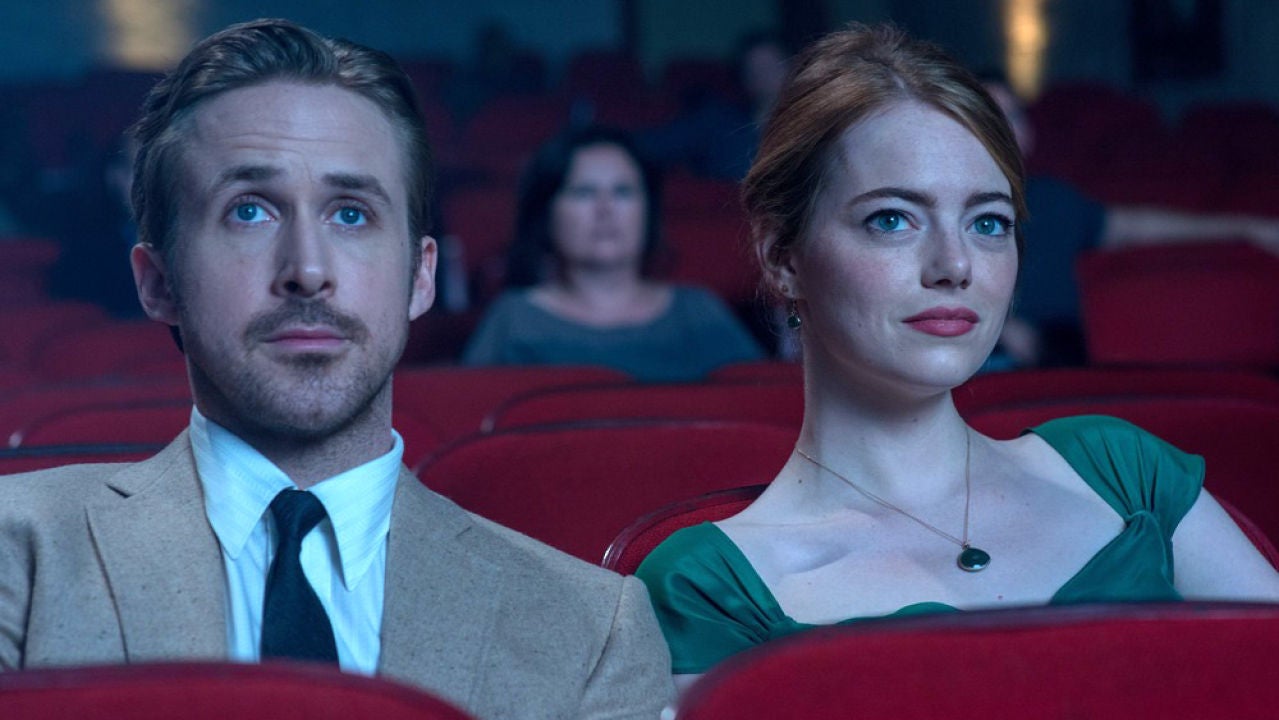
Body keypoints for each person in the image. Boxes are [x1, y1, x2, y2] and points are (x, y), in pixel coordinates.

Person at [0, 19, 673, 720]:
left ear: (420, 277)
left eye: (351, 215)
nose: (308, 271)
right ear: (158, 282)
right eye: (249, 211)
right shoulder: (16, 553)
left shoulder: (593, 630)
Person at [635, 24, 1279, 692]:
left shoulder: (1122, 470)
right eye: (891, 219)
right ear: (781, 257)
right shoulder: (710, 588)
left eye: (987, 222)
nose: (955, 265)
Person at [981, 77, 1279, 366]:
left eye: (1013, 116)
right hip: (984, 363)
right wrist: (998, 329)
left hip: (1060, 363)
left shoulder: (1056, 198)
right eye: (989, 119)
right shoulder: (956, 211)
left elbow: (1138, 226)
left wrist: (1246, 229)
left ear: (1029, 132)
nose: (1005, 131)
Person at [462, 125, 764, 382]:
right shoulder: (513, 320)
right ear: (547, 213)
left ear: (648, 211)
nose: (605, 209)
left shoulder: (699, 312)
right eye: (583, 192)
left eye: (623, 192)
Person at [638, 32, 791, 181]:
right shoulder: (718, 122)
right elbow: (651, 145)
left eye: (773, 66)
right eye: (755, 70)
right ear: (745, 78)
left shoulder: (802, 131)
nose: (765, 76)